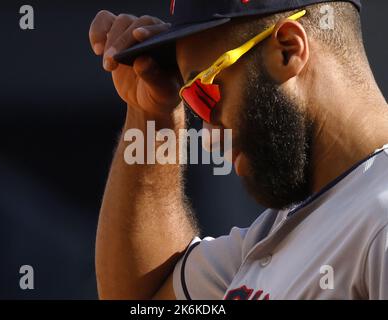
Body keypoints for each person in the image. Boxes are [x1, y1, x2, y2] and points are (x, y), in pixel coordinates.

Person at [89, 0, 388, 299]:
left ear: (287, 50)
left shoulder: (380, 221)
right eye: (192, 99)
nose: (207, 136)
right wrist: (152, 114)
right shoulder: (275, 232)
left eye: (205, 91)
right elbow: (142, 298)